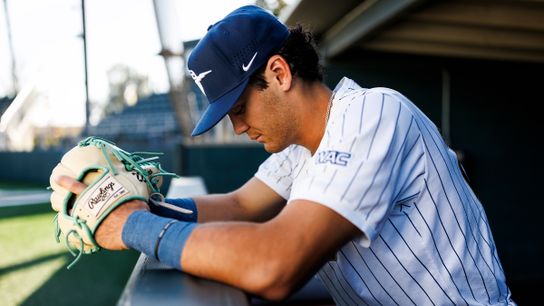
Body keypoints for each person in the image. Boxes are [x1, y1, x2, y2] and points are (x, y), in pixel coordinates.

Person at [56, 5, 515, 305]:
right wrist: (132, 205)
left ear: (278, 73)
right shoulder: (301, 146)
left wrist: (134, 226)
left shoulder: (374, 112)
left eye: (238, 108)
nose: (236, 127)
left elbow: (273, 266)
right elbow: (241, 206)